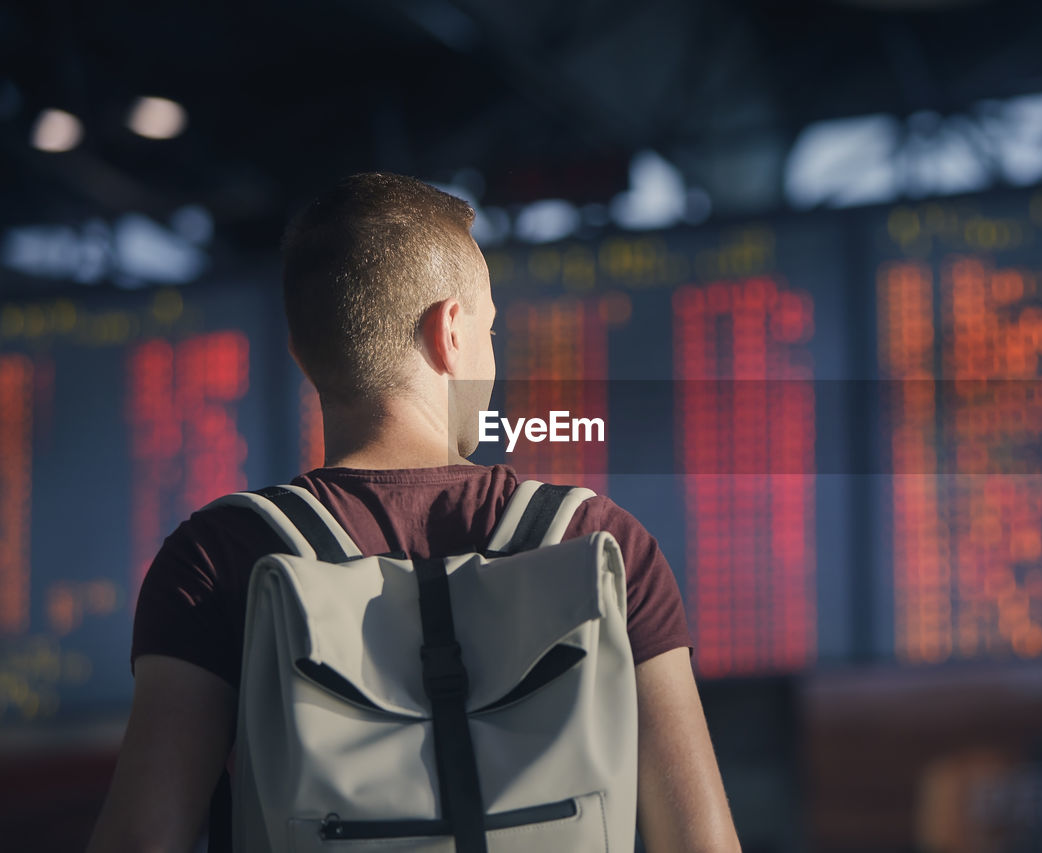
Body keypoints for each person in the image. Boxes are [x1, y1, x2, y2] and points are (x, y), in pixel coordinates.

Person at [86, 173, 741, 853]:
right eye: (490, 328)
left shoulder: (219, 555)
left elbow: (142, 836)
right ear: (450, 330)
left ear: (301, 354)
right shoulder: (600, 543)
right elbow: (703, 844)